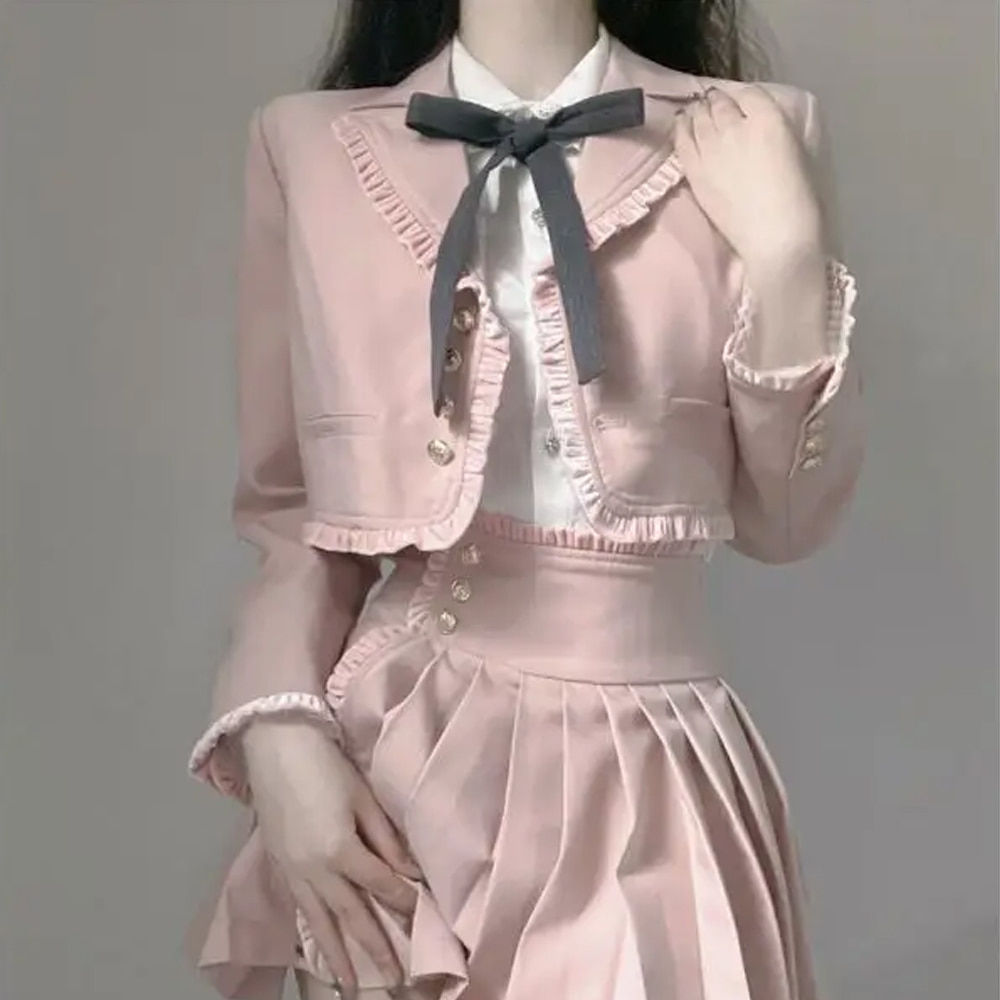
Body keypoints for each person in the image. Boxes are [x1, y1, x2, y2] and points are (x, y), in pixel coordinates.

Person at [185, 1, 864, 998]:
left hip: (653, 769)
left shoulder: (753, 131)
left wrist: (787, 262)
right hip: (400, 754)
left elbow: (789, 520)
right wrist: (277, 731)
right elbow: (289, 512)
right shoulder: (309, 147)